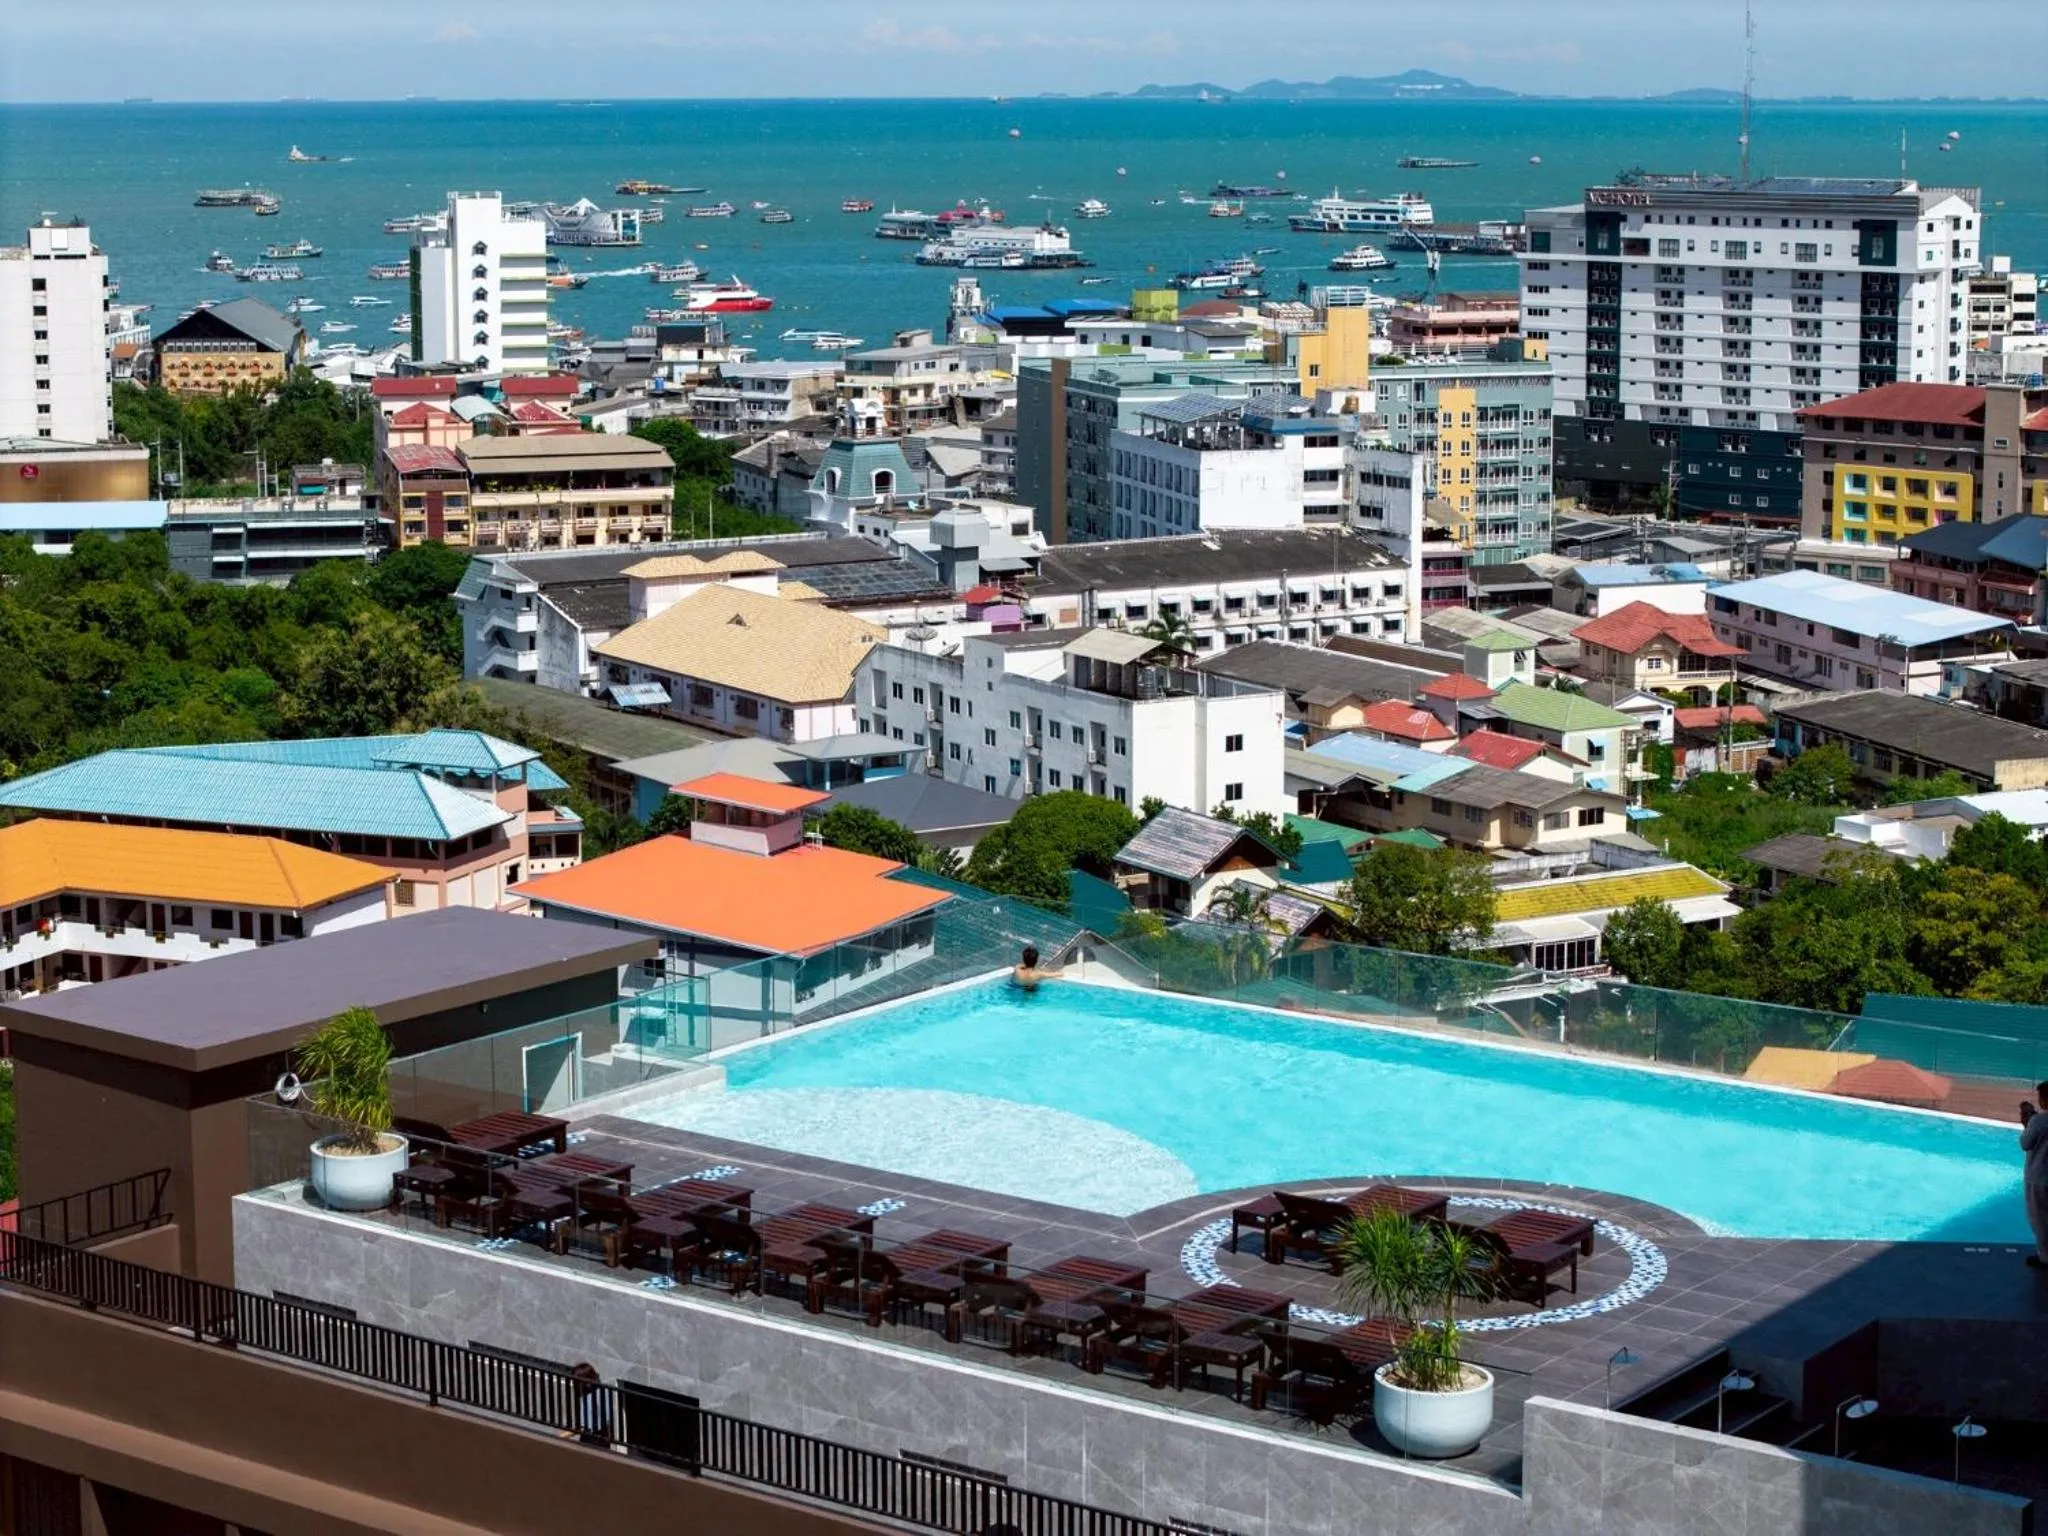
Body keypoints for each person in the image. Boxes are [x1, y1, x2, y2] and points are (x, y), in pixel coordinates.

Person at [2022, 1086, 2048, 1271]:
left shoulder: (2039, 1122)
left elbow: (2025, 1143)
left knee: (2039, 1218)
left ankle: (2045, 1257)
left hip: (2038, 1177)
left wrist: (2028, 1122)